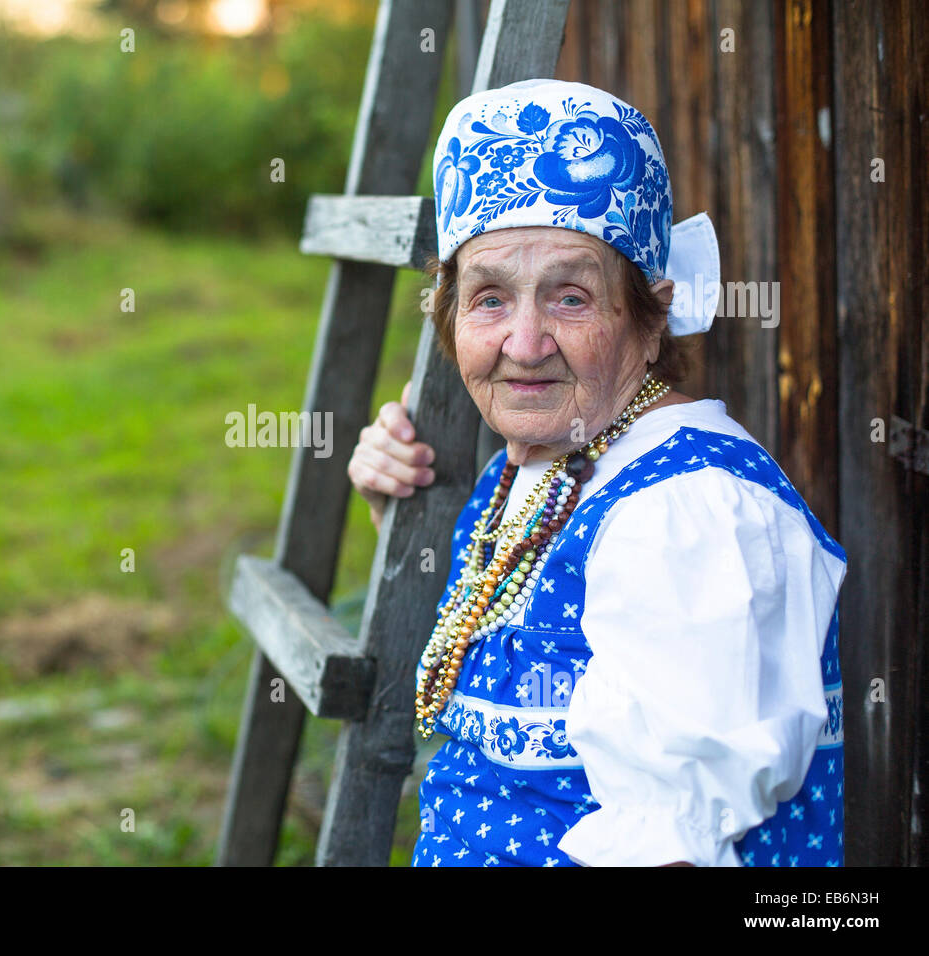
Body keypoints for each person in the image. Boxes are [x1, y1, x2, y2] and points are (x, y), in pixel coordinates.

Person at [347, 79, 846, 867]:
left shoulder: (690, 512)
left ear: (652, 319)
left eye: (572, 298)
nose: (524, 341)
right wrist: (395, 509)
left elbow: (673, 846)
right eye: (488, 301)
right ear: (448, 319)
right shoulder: (547, 466)